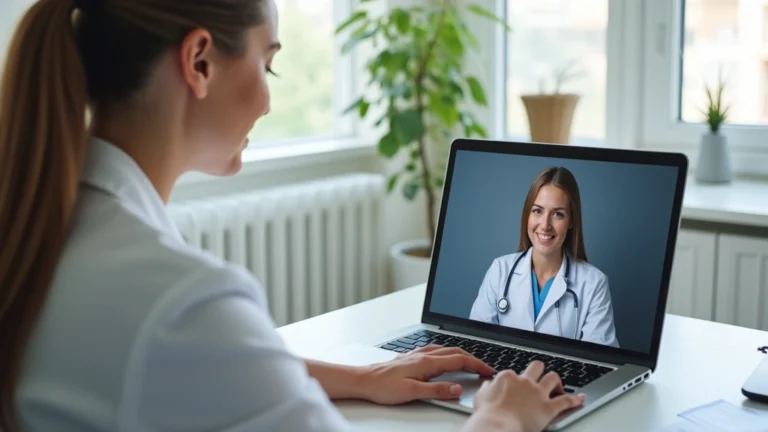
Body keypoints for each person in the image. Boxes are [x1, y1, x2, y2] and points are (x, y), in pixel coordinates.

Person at [0, 1, 585, 431]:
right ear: (199, 61)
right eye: (268, 64)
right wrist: (502, 420)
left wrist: (358, 377)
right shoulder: (182, 301)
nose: (270, 99)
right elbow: (195, 345)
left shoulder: (46, 226)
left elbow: (204, 364)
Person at [469, 167, 619, 348]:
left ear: (571, 221)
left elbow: (599, 361)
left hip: (562, 376)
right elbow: (476, 344)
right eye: (538, 211)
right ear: (527, 214)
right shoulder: (500, 270)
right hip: (502, 374)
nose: (545, 225)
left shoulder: (594, 284)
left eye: (558, 214)